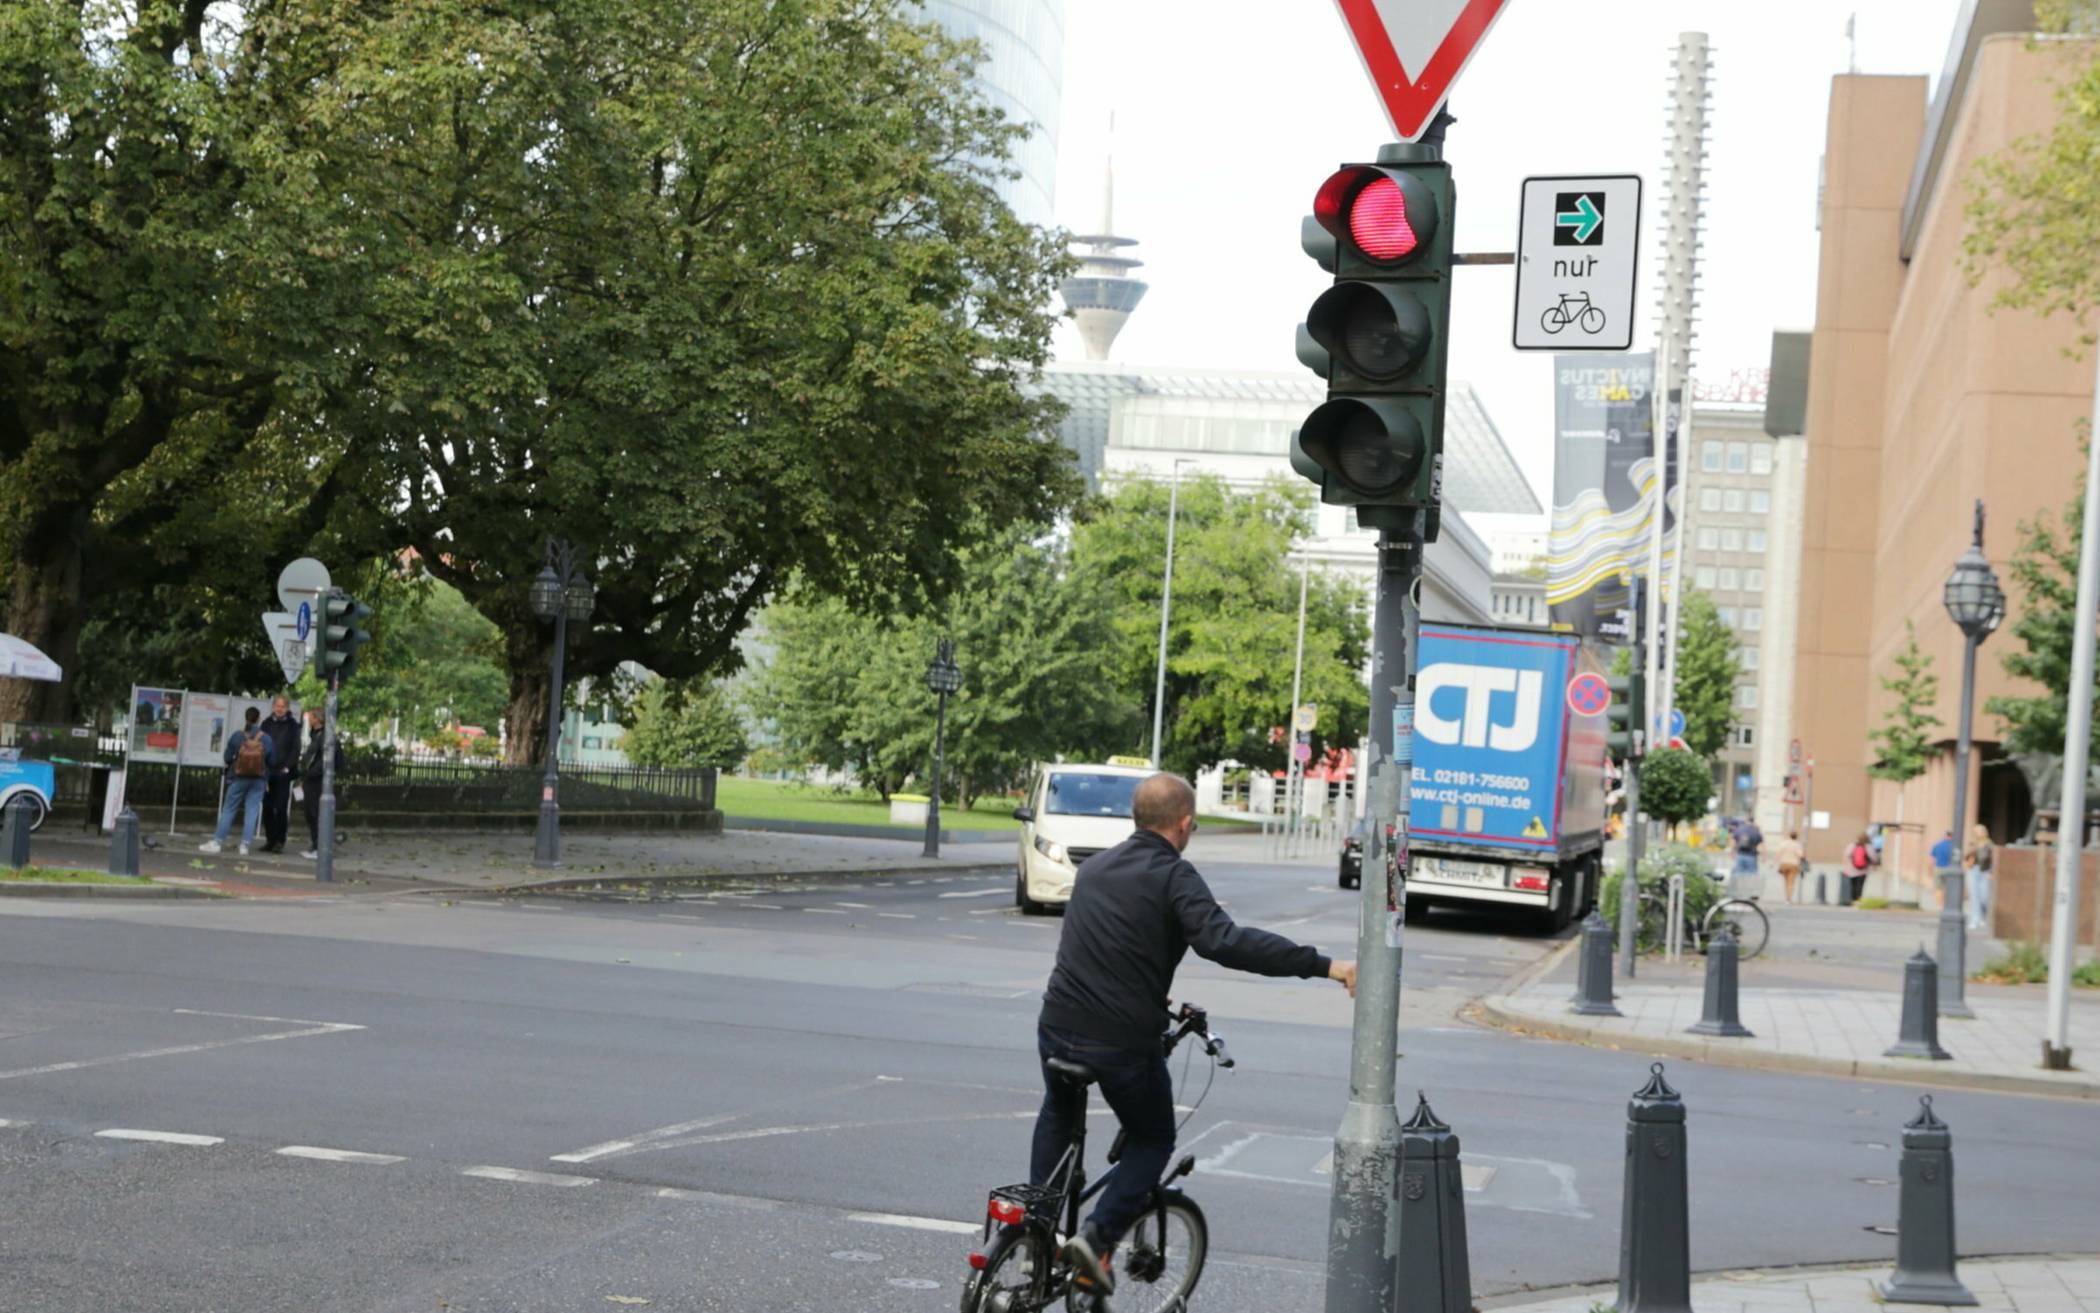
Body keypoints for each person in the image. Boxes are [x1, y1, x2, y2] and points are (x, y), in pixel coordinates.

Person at [1029, 772, 1355, 1296]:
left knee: (1058, 1109)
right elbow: (1226, 942)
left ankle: (1036, 1235)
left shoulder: (1094, 869)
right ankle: (1098, 1237)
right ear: (1183, 824)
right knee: (1154, 1136)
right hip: (1120, 1040)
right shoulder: (1173, 875)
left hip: (1057, 1023)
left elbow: (1104, 945)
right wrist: (1324, 965)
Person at [199, 706, 275, 856]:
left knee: (229, 809)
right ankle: (244, 846)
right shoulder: (266, 738)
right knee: (252, 811)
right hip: (258, 780)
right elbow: (272, 761)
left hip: (239, 778)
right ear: (259, 719)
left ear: (245, 718)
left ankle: (217, 842)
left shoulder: (237, 736)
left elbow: (227, 758)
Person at [257, 695, 302, 853]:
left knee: (281, 808)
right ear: (273, 707)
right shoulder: (266, 723)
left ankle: (280, 841)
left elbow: (296, 749)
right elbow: (259, 745)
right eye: (277, 706)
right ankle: (270, 840)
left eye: (283, 706)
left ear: (287, 708)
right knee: (267, 807)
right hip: (267, 771)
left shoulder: (293, 725)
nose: (280, 709)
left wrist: (287, 767)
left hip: (283, 772)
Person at [298, 707, 343, 861]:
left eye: (311, 717)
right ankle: (317, 844)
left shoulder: (323, 736)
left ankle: (319, 847)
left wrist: (310, 773)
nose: (309, 720)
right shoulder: (317, 734)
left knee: (314, 813)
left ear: (317, 719)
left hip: (317, 780)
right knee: (312, 813)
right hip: (314, 778)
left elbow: (324, 759)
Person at [1965, 823, 1994, 933]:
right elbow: (1966, 856)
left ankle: (1983, 917)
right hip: (1973, 870)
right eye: (1975, 831)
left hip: (1985, 871)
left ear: (1984, 832)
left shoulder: (1989, 844)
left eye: (1979, 831)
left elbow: (1993, 858)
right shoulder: (1974, 843)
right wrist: (1972, 848)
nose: (1977, 833)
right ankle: (1975, 919)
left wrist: (1991, 871)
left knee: (1984, 897)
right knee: (1974, 896)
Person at [1732, 817, 1764, 897]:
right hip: (1752, 856)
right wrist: (1764, 856)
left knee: (1739, 874)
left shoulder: (1739, 829)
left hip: (1740, 855)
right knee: (1752, 875)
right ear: (1753, 822)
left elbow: (1734, 841)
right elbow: (1761, 844)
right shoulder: (1756, 831)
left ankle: (1739, 892)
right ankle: (1750, 892)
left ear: (1746, 821)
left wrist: (1733, 852)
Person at [1773, 830, 1805, 903]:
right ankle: (1789, 898)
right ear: (1796, 837)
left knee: (1786, 881)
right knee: (1791, 883)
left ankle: (1786, 897)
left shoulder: (1784, 843)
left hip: (1784, 864)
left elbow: (1778, 853)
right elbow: (1801, 855)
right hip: (1793, 865)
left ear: (1789, 836)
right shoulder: (1797, 845)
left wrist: (1775, 863)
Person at [1846, 831, 1873, 903]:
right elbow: (1874, 858)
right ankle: (1858, 899)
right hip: (1863, 870)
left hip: (1852, 869)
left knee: (1853, 885)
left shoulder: (1852, 845)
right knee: (1860, 886)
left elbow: (1847, 855)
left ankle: (1852, 900)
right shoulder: (1868, 846)